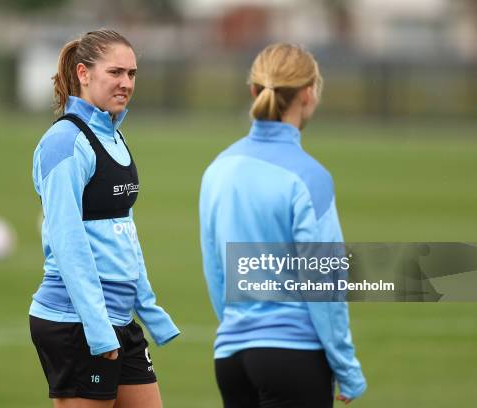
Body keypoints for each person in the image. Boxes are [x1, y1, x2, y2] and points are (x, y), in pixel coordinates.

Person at [199, 43, 366, 408]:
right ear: (309, 94)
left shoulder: (218, 170)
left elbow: (216, 271)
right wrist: (346, 367)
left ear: (253, 91)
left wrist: (238, 329)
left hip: (230, 359)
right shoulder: (309, 176)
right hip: (293, 357)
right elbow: (325, 281)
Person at [29, 29, 180, 408]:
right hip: (77, 321)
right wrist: (98, 328)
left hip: (118, 318)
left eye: (131, 74)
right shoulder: (66, 142)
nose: (125, 83)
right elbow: (68, 243)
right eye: (115, 72)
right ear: (83, 73)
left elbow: (124, 232)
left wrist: (148, 307)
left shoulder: (113, 135)